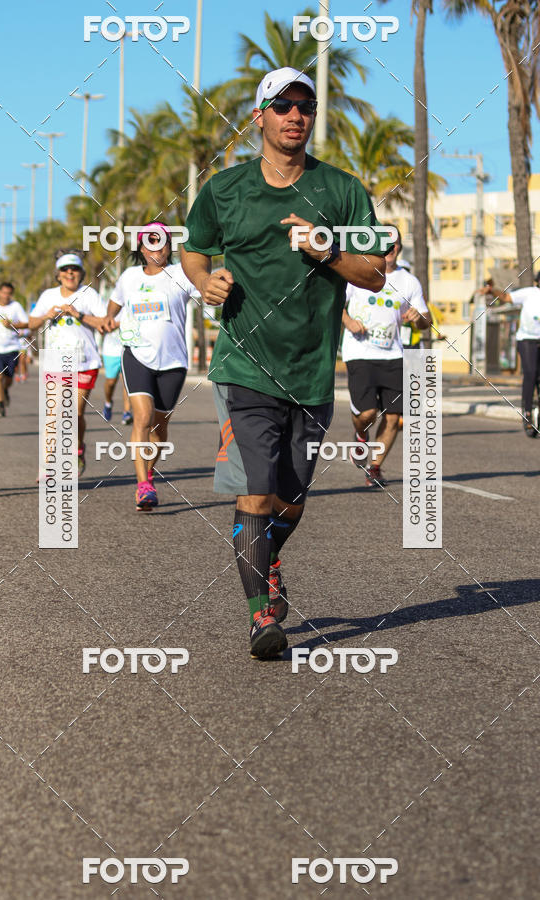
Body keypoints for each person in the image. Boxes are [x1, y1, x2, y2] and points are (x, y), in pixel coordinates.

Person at [181, 67, 389, 659]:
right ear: (258, 117)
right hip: (244, 366)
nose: (295, 115)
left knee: (290, 500)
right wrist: (205, 282)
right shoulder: (225, 190)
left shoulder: (342, 191)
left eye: (305, 105)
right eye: (283, 106)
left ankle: (266, 560)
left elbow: (374, 275)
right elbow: (194, 251)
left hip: (312, 369)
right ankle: (260, 615)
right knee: (254, 490)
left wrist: (326, 250)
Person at [106, 223, 199, 510]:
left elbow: (206, 290)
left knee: (159, 427)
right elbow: (114, 304)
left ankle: (148, 471)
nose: (155, 248)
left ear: (169, 246)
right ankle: (143, 485)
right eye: (149, 243)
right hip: (136, 355)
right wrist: (109, 319)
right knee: (142, 418)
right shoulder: (129, 277)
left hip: (174, 361)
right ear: (141, 249)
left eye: (161, 242)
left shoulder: (181, 274)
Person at [342, 227, 431, 488]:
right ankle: (360, 433)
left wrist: (419, 318)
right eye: (385, 244)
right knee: (368, 413)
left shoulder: (409, 282)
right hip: (359, 352)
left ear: (399, 250)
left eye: (395, 246)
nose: (390, 250)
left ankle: (375, 468)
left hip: (393, 354)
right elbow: (335, 305)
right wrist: (348, 321)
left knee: (393, 417)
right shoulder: (357, 272)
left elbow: (426, 320)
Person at [29, 252, 108, 474]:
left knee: (74, 413)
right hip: (56, 361)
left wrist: (78, 314)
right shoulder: (48, 295)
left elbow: (104, 323)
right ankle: (46, 466)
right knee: (53, 414)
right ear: (58, 274)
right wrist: (46, 315)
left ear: (81, 273)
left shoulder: (89, 294)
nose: (70, 273)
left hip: (85, 361)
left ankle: (78, 447)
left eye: (74, 269)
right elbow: (31, 324)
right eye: (65, 269)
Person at [485, 273, 540, 436]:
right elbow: (506, 297)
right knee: (530, 374)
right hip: (527, 340)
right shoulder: (529, 293)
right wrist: (492, 290)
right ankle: (528, 412)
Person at [0, 282, 28, 417]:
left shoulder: (16, 307)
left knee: (8, 378)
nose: (6, 296)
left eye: (9, 293)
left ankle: (5, 391)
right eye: (4, 293)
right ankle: (0, 405)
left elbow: (26, 324)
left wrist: (13, 325)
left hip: (12, 348)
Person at [100, 310, 132, 424]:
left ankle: (127, 412)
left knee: (127, 382)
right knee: (111, 382)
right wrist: (121, 323)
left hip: (129, 348)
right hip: (111, 350)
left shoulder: (132, 304)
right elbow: (104, 327)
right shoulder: (108, 308)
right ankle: (108, 403)